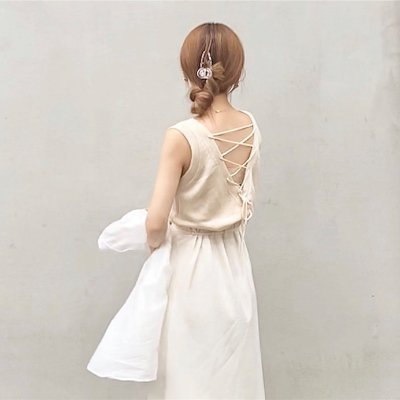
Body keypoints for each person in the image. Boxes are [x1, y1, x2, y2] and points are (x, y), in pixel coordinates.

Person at [145, 22, 266, 400]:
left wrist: (153, 247)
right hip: (234, 268)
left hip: (191, 272)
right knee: (231, 377)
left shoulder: (181, 136)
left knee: (191, 379)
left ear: (188, 69)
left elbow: (155, 224)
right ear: (237, 71)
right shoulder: (251, 127)